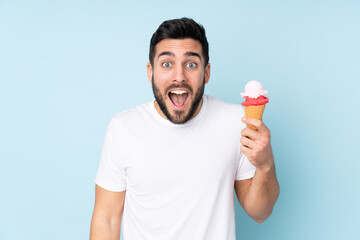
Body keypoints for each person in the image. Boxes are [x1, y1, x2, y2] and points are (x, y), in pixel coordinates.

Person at [90, 17, 279, 240]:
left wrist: (265, 165)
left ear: (206, 73)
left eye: (191, 64)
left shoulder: (236, 121)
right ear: (150, 72)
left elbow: (260, 212)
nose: (179, 76)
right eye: (167, 64)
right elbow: (107, 218)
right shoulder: (123, 128)